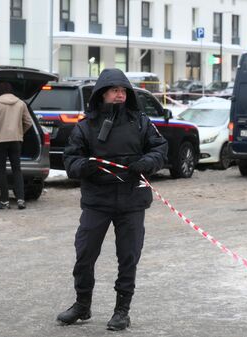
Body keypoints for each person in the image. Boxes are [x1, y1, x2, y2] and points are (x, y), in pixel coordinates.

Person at [57, 68, 168, 331]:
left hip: (131, 201)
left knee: (128, 256)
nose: (119, 95)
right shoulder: (86, 125)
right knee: (85, 254)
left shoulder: (140, 121)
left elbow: (160, 148)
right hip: (97, 201)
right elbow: (71, 160)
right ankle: (82, 305)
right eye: (114, 90)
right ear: (102, 93)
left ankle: (122, 311)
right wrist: (86, 167)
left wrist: (147, 162)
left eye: (122, 91)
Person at [0, 82, 33, 210]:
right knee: (17, 170)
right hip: (16, 140)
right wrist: (19, 131)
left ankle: (4, 202)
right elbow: (28, 122)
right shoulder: (20, 103)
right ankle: (21, 200)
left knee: (1, 171)